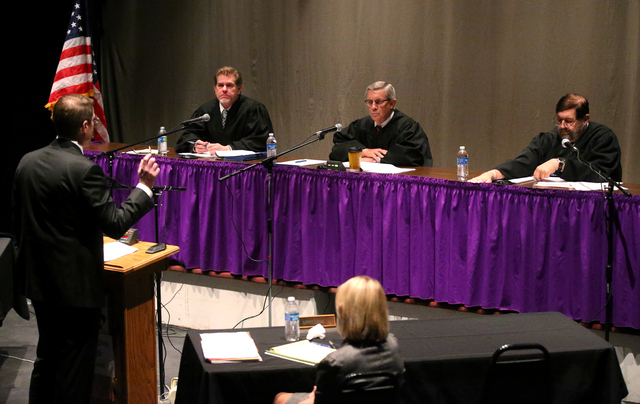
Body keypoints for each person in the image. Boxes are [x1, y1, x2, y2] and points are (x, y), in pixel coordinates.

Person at [12, 94, 160, 404]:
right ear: (84, 126)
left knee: (47, 357)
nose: (94, 126)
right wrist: (144, 187)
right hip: (75, 289)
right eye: (93, 121)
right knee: (75, 367)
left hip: (39, 282)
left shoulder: (27, 161)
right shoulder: (84, 170)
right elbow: (115, 224)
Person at [273, 276, 405, 404]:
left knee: (280, 398)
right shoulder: (393, 346)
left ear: (343, 312)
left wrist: (312, 397)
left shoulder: (335, 362)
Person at [470, 94, 622, 183]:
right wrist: (492, 174)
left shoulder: (603, 138)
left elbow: (601, 173)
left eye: (569, 121)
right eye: (559, 120)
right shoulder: (549, 139)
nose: (562, 126)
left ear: (585, 119)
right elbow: (523, 163)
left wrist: (560, 164)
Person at [329, 81, 433, 167]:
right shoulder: (361, 125)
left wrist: (373, 160)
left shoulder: (408, 127)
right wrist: (363, 151)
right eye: (370, 102)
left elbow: (411, 156)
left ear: (392, 103)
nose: (373, 107)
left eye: (379, 102)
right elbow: (338, 148)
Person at [175, 66, 274, 153]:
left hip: (244, 166)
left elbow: (260, 140)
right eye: (220, 85)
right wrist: (195, 146)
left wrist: (229, 148)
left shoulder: (253, 109)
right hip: (210, 164)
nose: (224, 89)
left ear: (239, 89)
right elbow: (187, 137)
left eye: (229, 85)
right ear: (215, 89)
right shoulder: (206, 111)